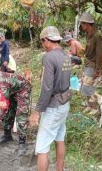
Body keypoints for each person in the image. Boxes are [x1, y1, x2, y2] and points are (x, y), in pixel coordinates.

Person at [29, 26, 71, 171]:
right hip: (64, 104)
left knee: (42, 147)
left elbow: (47, 88)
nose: (42, 45)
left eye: (42, 42)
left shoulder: (48, 57)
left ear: (47, 40)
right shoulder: (65, 55)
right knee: (59, 139)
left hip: (53, 107)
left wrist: (37, 112)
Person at [79, 12, 102, 112]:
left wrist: (97, 69)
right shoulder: (88, 34)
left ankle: (94, 108)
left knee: (89, 87)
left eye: (82, 24)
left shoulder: (97, 36)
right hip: (87, 63)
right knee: (85, 85)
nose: (81, 26)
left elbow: (99, 53)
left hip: (92, 65)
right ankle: (89, 105)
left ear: (88, 24)